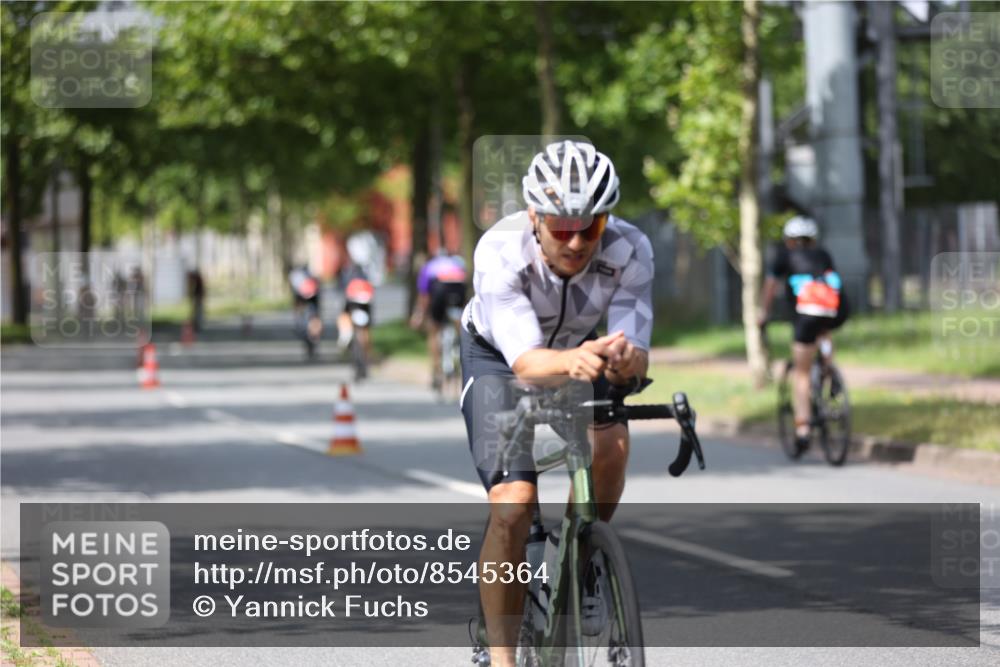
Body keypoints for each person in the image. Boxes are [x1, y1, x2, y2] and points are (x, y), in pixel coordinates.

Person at [460, 140, 653, 665]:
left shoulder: (630, 250)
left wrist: (626, 362)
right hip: (500, 357)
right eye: (560, 227)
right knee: (514, 504)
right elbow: (525, 363)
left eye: (588, 228)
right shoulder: (500, 251)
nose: (574, 242)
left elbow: (636, 350)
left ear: (605, 221)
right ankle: (501, 658)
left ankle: (586, 558)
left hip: (581, 352)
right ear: (534, 218)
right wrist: (578, 359)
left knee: (610, 443)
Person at [758, 215, 849, 454]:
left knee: (801, 373)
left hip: (805, 316)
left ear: (789, 240)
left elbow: (769, 288)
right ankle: (830, 373)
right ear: (812, 239)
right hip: (833, 312)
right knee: (824, 333)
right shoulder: (824, 255)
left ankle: (803, 429)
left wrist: (763, 314)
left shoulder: (784, 257)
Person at [410, 248, 468, 390]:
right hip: (459, 288)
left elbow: (424, 296)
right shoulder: (456, 263)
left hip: (440, 289)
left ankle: (436, 371)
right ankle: (461, 345)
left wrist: (419, 315)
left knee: (434, 329)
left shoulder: (428, 267)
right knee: (460, 323)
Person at [336, 260, 375, 365]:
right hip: (363, 307)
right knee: (366, 330)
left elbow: (342, 291)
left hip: (354, 306)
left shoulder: (348, 277)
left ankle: (344, 339)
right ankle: (368, 354)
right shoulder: (365, 277)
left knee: (344, 318)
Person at [288, 265, 323, 356]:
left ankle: (314, 335)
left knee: (313, 317)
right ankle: (312, 335)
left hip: (310, 299)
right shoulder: (297, 279)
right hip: (304, 299)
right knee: (311, 317)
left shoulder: (297, 278)